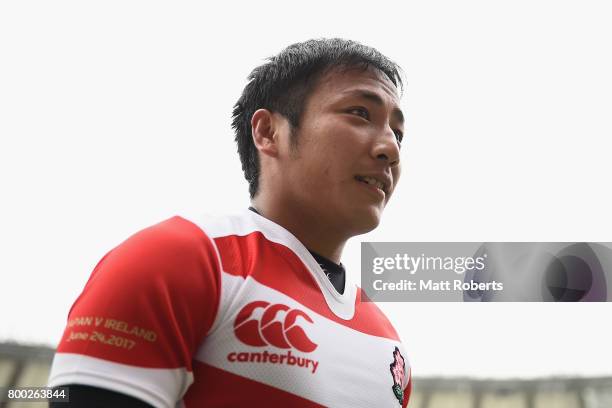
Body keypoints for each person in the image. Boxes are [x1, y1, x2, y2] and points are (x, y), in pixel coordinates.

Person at [48, 38, 412, 408]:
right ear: (268, 132)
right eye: (360, 114)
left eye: (398, 133)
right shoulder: (179, 259)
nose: (391, 149)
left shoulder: (389, 347)